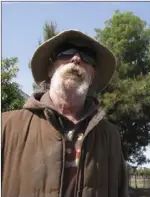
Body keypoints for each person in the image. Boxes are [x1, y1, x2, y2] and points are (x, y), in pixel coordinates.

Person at [2, 30, 129, 197]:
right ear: (50, 69)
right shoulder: (6, 126)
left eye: (87, 56)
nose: (76, 59)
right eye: (66, 52)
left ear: (93, 76)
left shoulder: (110, 135)